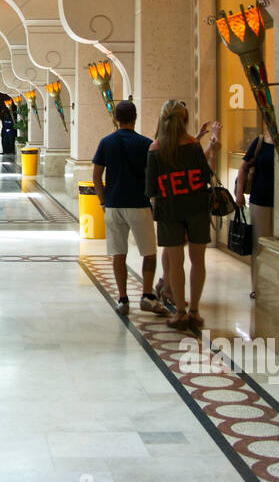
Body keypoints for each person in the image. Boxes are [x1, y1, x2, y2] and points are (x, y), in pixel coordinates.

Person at [91, 99, 165, 317]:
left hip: (113, 205)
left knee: (118, 253)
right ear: (135, 117)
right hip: (139, 204)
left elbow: (96, 175)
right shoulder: (146, 144)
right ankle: (146, 296)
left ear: (116, 118)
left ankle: (123, 298)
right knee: (149, 252)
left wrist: (103, 201)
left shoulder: (106, 142)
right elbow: (155, 176)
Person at [146, 99, 215, 333]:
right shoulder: (194, 145)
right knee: (198, 261)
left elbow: (151, 189)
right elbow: (205, 176)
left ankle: (180, 313)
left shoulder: (155, 149)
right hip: (197, 208)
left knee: (175, 264)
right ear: (184, 119)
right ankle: (194, 310)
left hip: (169, 211)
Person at [234, 128, 275, 300]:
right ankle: (257, 286)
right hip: (260, 200)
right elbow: (244, 167)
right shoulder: (260, 142)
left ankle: (275, 285)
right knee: (259, 245)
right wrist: (239, 192)